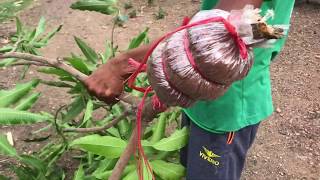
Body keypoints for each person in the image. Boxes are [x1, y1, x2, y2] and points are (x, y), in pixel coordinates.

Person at [85, 0, 295, 179]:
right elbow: (245, 27)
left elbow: (213, 33)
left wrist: (120, 65)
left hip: (225, 106)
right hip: (201, 92)